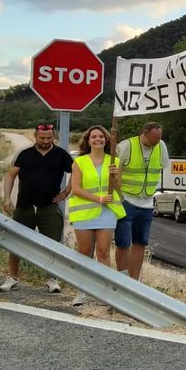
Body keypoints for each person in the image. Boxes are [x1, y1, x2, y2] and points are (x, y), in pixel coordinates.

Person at [0, 122, 73, 293]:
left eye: (49, 138)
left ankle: (52, 279)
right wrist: (7, 198)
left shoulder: (61, 154)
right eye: (42, 138)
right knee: (16, 242)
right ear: (35, 137)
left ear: (53, 136)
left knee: (53, 245)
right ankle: (13, 277)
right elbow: (10, 175)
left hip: (49, 206)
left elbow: (76, 172)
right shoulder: (24, 154)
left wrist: (66, 192)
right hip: (25, 205)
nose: (46, 141)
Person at [67, 125, 123, 306]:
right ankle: (82, 290)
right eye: (94, 137)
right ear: (88, 140)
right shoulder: (80, 162)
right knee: (84, 252)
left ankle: (104, 292)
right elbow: (75, 188)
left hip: (107, 212)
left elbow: (118, 187)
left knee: (103, 251)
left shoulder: (114, 161)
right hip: (84, 213)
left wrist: (114, 177)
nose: (97, 139)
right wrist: (98, 198)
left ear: (106, 140)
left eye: (101, 137)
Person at [117, 122, 169, 280]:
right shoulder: (127, 146)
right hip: (126, 201)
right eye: (153, 140)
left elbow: (163, 167)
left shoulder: (160, 146)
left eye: (158, 139)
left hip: (147, 202)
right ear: (144, 133)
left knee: (140, 243)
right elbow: (114, 171)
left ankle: (134, 282)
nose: (155, 143)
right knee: (123, 243)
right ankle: (122, 280)